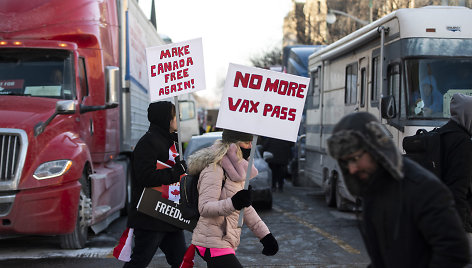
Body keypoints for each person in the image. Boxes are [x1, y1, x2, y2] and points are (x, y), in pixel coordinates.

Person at [327, 112, 469, 268]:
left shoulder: (422, 188)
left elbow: (454, 252)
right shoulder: (373, 191)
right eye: (346, 162)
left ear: (374, 147)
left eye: (355, 158)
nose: (352, 169)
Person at [181, 129, 278, 268]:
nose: (251, 146)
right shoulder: (214, 169)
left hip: (224, 241)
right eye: (246, 142)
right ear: (233, 145)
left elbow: (246, 209)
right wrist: (234, 202)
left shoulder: (236, 171)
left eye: (251, 142)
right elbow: (205, 207)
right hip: (211, 242)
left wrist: (266, 237)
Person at [124, 101, 187, 268]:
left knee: (182, 262)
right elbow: (146, 177)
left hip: (170, 214)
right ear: (165, 118)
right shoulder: (147, 143)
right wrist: (176, 172)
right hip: (150, 217)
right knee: (139, 262)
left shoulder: (171, 142)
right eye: (175, 115)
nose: (178, 118)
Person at [438, 93, 472, 232]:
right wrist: (459, 229)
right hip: (457, 223)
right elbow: (458, 190)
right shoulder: (462, 143)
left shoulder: (441, 134)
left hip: (437, 215)